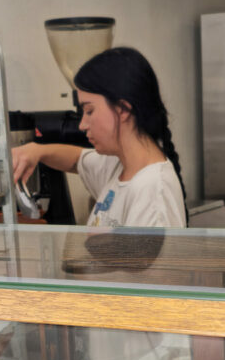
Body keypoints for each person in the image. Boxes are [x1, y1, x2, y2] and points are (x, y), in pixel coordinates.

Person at [12, 46, 187, 228]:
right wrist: (36, 151)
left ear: (123, 109)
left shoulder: (152, 193)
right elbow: (76, 160)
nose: (82, 125)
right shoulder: (119, 165)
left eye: (89, 111)